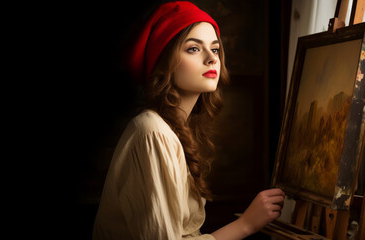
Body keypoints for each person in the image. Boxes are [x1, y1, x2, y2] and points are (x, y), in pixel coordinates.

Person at [93, 1, 285, 239]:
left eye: (215, 49)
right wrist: (245, 224)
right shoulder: (152, 131)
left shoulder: (173, 130)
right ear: (165, 61)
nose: (211, 59)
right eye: (194, 49)